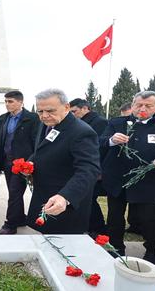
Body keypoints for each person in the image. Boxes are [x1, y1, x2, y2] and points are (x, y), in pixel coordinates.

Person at [100, 91, 155, 266]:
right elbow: (101, 142)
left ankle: (152, 250)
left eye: (148, 106)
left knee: (149, 220)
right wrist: (112, 140)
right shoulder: (116, 123)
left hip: (149, 181)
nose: (142, 109)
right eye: (138, 105)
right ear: (133, 105)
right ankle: (116, 248)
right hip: (117, 180)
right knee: (114, 218)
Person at [26, 89, 100, 234]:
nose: (44, 116)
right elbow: (42, 149)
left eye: (50, 110)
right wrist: (30, 163)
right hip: (45, 194)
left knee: (64, 247)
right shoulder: (48, 123)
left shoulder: (81, 132)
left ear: (66, 107)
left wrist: (66, 196)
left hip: (64, 201)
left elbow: (89, 169)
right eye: (40, 111)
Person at [0, 90, 40, 235]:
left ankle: (10, 225)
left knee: (14, 193)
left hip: (22, 164)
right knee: (14, 193)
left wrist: (30, 162)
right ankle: (20, 218)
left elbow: (37, 142)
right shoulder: (3, 118)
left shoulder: (32, 118)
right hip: (6, 162)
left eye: (10, 101)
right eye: (5, 101)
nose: (7, 104)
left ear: (20, 102)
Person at [69, 98, 108, 235]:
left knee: (89, 198)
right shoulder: (77, 123)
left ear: (85, 108)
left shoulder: (99, 122)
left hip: (94, 168)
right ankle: (89, 225)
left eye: (74, 111)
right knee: (84, 198)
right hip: (82, 166)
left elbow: (101, 147)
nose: (72, 114)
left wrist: (98, 169)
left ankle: (98, 228)